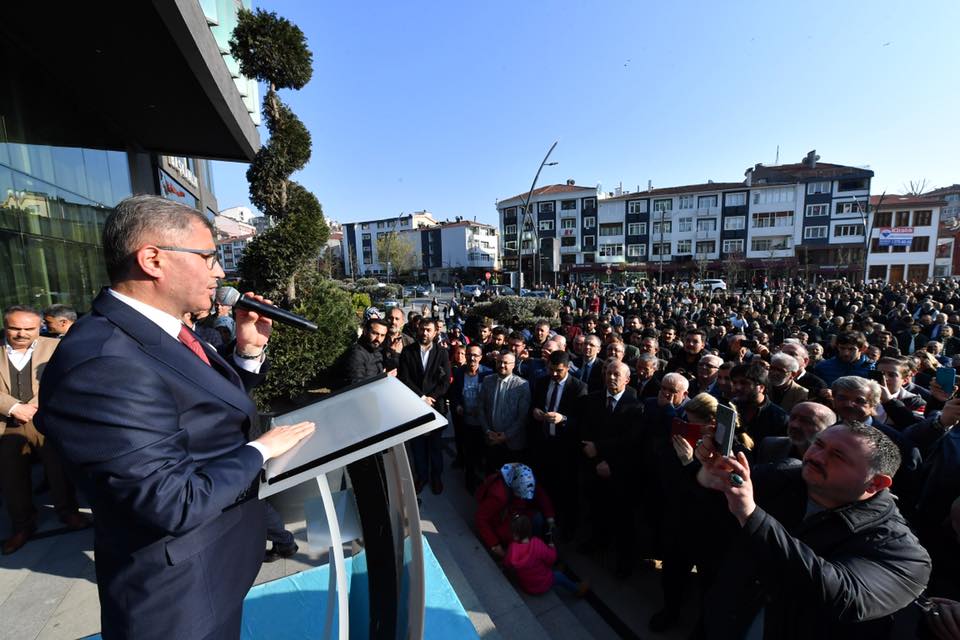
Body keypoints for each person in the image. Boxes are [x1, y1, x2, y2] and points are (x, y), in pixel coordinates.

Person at [36, 195, 315, 640]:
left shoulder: (164, 329)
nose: (219, 273)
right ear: (152, 259)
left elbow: (198, 415)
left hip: (217, 568)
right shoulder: (104, 361)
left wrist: (247, 352)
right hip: (179, 602)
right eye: (208, 257)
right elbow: (170, 500)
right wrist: (261, 449)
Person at [695, 422, 931, 639]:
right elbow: (708, 513)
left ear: (875, 483)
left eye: (837, 456)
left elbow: (841, 596)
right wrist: (709, 476)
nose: (816, 457)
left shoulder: (902, 551)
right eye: (818, 444)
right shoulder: (782, 476)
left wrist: (751, 515)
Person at [1, 305, 88, 554]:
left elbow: (68, 377)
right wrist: (14, 406)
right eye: (14, 328)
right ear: (5, 326)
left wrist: (39, 404)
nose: (21, 334)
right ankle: (22, 526)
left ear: (39, 326)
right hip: (8, 425)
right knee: (11, 479)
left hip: (47, 420)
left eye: (28, 328)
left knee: (59, 471)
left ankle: (68, 513)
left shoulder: (56, 347)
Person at [578, 360, 643, 578]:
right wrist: (596, 459)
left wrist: (610, 462)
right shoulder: (592, 400)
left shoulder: (635, 406)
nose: (611, 377)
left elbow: (631, 442)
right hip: (594, 465)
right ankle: (597, 542)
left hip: (620, 472)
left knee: (623, 519)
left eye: (617, 374)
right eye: (608, 373)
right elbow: (586, 431)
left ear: (627, 379)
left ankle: (624, 564)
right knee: (597, 509)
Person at [528, 350, 587, 537]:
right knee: (544, 487)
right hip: (543, 444)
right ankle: (544, 523)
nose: (554, 374)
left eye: (558, 371)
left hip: (565, 449)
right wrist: (536, 411)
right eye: (551, 369)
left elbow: (583, 422)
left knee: (565, 490)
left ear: (568, 368)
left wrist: (563, 419)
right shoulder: (542, 382)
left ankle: (565, 527)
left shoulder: (578, 388)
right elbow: (534, 405)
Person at [398, 318, 450, 494]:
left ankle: (436, 477)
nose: (424, 333)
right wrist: (421, 397)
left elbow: (445, 381)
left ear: (435, 332)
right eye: (422, 329)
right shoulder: (407, 351)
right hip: (414, 406)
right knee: (418, 445)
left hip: (436, 406)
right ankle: (422, 476)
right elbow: (404, 379)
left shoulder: (442, 353)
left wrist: (431, 398)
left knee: (435, 445)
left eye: (428, 330)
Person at [474, 463, 555, 559]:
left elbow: (540, 495)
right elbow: (481, 518)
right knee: (512, 538)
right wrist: (494, 544)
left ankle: (535, 549)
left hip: (516, 512)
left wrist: (550, 516)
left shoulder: (525, 480)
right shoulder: (498, 496)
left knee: (538, 519)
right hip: (502, 520)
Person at [503, 514, 586, 597]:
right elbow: (552, 559)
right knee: (560, 576)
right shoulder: (537, 544)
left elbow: (507, 564)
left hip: (526, 586)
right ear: (529, 530)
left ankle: (554, 572)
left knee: (539, 566)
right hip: (542, 584)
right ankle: (577, 590)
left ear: (514, 534)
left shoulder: (512, 548)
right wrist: (552, 548)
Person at [448, 344, 492, 492]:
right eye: (469, 355)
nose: (471, 358)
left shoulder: (488, 374)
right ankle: (470, 481)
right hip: (465, 421)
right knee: (468, 452)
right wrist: (458, 405)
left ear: (481, 357)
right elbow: (453, 394)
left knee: (482, 452)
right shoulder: (460, 373)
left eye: (475, 355)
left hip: (482, 423)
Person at [478, 352, 531, 471]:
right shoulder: (487, 380)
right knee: (491, 476)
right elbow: (481, 408)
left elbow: (522, 417)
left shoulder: (522, 385)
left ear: (514, 365)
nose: (502, 365)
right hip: (491, 439)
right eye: (499, 362)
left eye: (506, 363)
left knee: (510, 480)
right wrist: (487, 431)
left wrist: (505, 436)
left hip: (512, 444)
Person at [754, 401, 838, 466]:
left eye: (805, 421)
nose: (794, 425)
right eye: (793, 418)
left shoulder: (835, 459)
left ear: (828, 428)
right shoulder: (770, 446)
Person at [337, 317, 388, 387]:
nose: (378, 339)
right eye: (375, 333)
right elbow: (357, 384)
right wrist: (383, 378)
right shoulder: (356, 354)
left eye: (382, 335)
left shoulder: (378, 352)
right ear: (365, 331)